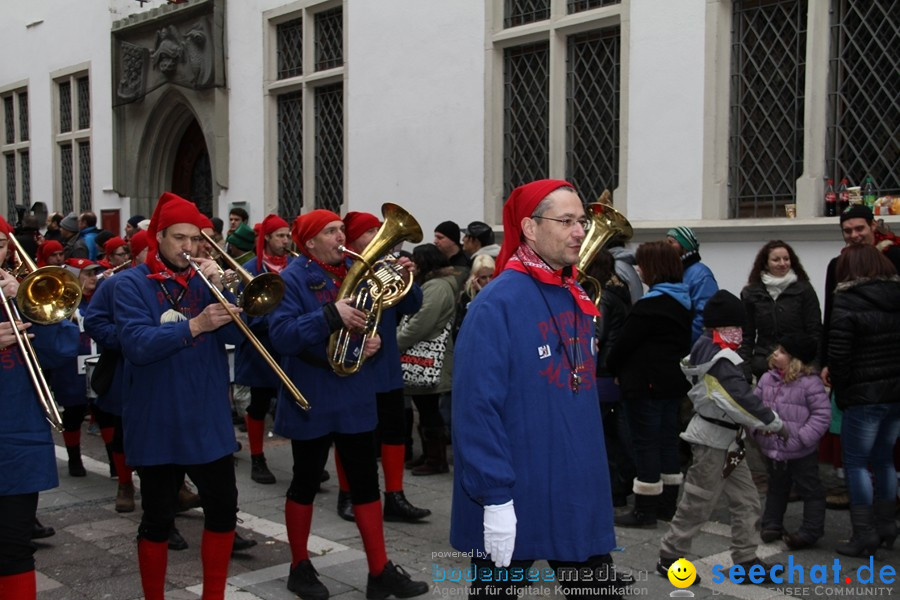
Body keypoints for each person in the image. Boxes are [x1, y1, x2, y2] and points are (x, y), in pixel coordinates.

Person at [451, 180, 627, 598]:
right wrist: (493, 498)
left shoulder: (576, 294)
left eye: (581, 221)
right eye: (566, 221)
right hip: (515, 490)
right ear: (530, 228)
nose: (581, 231)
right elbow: (476, 409)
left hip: (573, 485)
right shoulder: (496, 304)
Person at [268, 209, 428, 600]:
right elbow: (282, 336)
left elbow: (399, 310)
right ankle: (299, 566)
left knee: (364, 482)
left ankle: (379, 570)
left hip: (354, 392)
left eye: (341, 229)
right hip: (313, 392)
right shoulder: (290, 279)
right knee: (305, 479)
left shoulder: (357, 272)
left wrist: (369, 344)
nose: (342, 236)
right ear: (309, 243)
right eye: (331, 231)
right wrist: (330, 315)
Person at [114, 192, 242, 600]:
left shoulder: (206, 281)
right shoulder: (129, 284)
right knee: (157, 517)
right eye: (180, 238)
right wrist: (195, 325)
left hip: (206, 413)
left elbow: (240, 336)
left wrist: (228, 294)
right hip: (157, 415)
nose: (189, 248)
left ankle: (214, 595)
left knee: (223, 510)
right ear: (158, 237)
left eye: (196, 239)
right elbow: (137, 344)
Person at [657, 290, 786, 585]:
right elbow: (738, 399)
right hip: (714, 441)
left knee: (746, 500)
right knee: (699, 501)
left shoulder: (709, 349)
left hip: (728, 440)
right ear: (723, 327)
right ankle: (670, 557)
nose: (740, 333)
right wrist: (774, 423)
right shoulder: (721, 358)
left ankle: (746, 559)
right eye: (737, 326)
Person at [333, 210, 431, 522]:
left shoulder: (385, 267)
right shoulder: (342, 270)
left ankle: (395, 495)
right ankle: (348, 494)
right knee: (350, 434)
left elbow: (413, 305)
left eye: (379, 230)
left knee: (394, 432)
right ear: (352, 239)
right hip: (356, 364)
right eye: (370, 232)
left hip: (386, 365)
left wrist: (406, 277)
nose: (377, 237)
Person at [0, 216, 79, 599]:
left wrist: (24, 301)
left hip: (16, 438)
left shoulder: (20, 294)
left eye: (0, 245)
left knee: (15, 548)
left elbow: (63, 349)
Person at [607, 241, 692, 526]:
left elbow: (623, 344)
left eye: (642, 264)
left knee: (645, 444)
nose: (639, 269)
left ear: (654, 267)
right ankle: (666, 506)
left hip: (645, 385)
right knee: (667, 442)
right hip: (671, 384)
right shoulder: (681, 300)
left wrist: (612, 366)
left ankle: (645, 509)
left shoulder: (650, 305)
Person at [827, 243, 900, 557]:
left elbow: (839, 356)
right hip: (895, 394)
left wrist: (841, 391)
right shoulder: (897, 297)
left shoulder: (846, 300)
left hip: (862, 396)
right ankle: (887, 525)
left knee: (857, 463)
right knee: (885, 460)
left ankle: (864, 533)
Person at [751, 334, 830, 550]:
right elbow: (754, 408)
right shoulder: (767, 379)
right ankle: (771, 524)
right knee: (776, 486)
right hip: (773, 449)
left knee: (809, 489)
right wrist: (757, 429)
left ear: (796, 360)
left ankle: (810, 531)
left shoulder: (809, 384)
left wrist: (803, 438)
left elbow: (822, 415)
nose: (775, 353)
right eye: (776, 349)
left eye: (782, 351)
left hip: (801, 450)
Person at [234, 213, 293, 484]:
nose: (286, 240)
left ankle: (303, 456)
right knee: (258, 403)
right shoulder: (250, 267)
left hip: (290, 344)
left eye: (288, 235)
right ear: (267, 238)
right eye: (280, 236)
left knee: (292, 402)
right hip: (262, 343)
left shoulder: (294, 265)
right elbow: (244, 309)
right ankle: (257, 457)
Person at [397, 243, 458, 477]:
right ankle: (429, 454)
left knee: (430, 411)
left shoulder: (437, 287)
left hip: (431, 358)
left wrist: (395, 342)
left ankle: (436, 459)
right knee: (425, 409)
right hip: (429, 357)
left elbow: (421, 323)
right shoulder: (435, 284)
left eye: (417, 261)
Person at [46, 258, 103, 477]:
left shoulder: (98, 299)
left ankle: (117, 467)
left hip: (96, 361)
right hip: (71, 367)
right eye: (87, 274)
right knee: (73, 413)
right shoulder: (60, 302)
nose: (93, 278)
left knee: (104, 411)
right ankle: (74, 459)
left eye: (94, 274)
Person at [740, 241, 822, 380]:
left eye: (786, 259)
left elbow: (814, 330)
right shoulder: (751, 293)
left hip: (798, 364)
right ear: (765, 263)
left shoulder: (804, 289)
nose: (782, 263)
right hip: (764, 365)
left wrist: (815, 364)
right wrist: (745, 367)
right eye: (776, 259)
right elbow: (746, 334)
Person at [666, 226, 719, 343]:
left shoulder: (701, 274)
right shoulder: (673, 271)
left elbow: (704, 315)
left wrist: (684, 342)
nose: (666, 247)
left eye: (671, 242)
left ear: (685, 247)